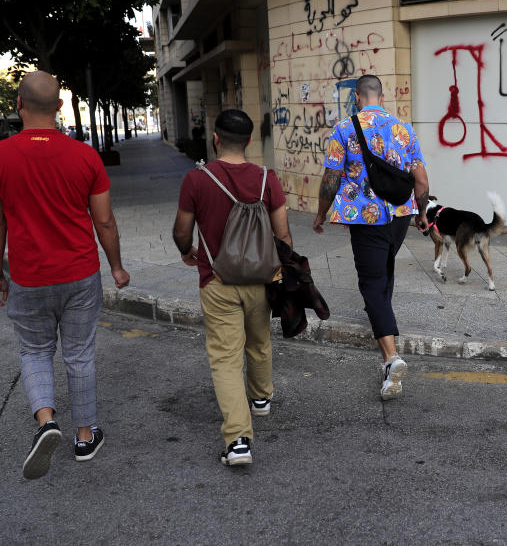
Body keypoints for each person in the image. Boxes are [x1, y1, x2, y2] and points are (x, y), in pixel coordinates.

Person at [0, 71, 130, 480]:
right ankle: (84, 436)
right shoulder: (85, 156)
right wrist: (115, 266)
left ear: (18, 104)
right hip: (80, 272)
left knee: (34, 350)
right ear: (60, 107)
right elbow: (105, 220)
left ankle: (46, 422)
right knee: (79, 353)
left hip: (28, 276)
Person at [172, 108, 292, 466]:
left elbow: (182, 231)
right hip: (260, 279)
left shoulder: (197, 179)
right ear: (251, 141)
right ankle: (260, 398)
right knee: (259, 341)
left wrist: (187, 251)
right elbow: (282, 233)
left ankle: (238, 440)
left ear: (216, 138)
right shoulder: (266, 178)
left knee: (225, 358)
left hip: (217, 279)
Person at [312, 74, 430, 400]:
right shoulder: (404, 129)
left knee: (371, 283)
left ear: (358, 98)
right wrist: (421, 213)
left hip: (367, 217)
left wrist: (321, 213)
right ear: (381, 95)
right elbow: (420, 179)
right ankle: (385, 328)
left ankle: (391, 358)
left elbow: (330, 178)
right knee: (384, 270)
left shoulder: (344, 128)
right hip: (400, 216)